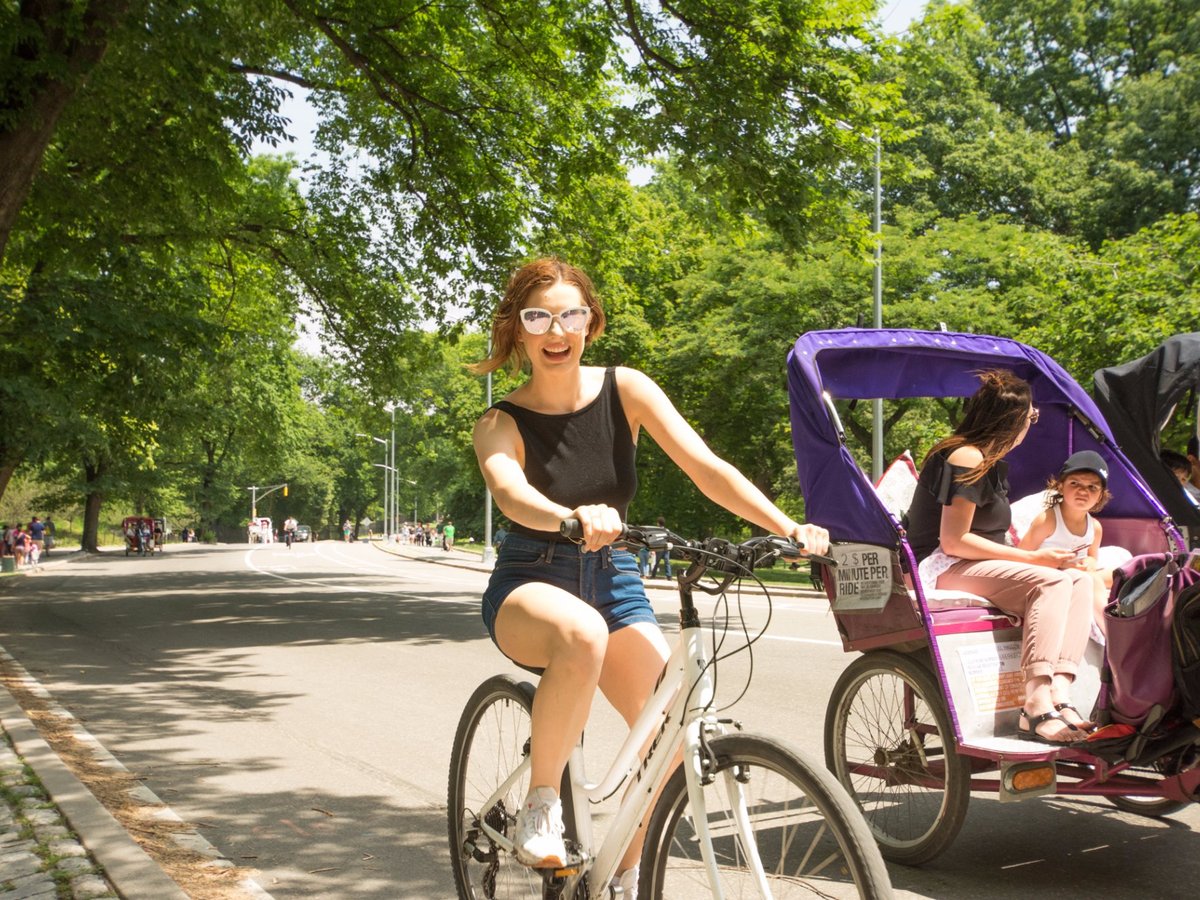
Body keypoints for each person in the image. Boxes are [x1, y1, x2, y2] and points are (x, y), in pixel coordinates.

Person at [470, 258, 829, 889]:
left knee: (670, 738)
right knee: (581, 634)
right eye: (538, 316)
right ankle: (541, 805)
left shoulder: (625, 388)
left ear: (592, 323)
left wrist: (786, 527)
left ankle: (621, 879)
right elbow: (509, 492)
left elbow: (707, 468)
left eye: (570, 314)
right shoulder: (499, 422)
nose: (557, 330)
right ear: (518, 330)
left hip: (615, 577)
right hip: (532, 579)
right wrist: (567, 516)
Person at [905, 369, 1095, 745]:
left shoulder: (988, 462)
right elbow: (954, 541)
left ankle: (1059, 691)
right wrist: (1034, 560)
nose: (1032, 424)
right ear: (1012, 421)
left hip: (973, 564)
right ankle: (1035, 705)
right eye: (1031, 417)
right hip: (941, 565)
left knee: (1081, 580)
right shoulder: (965, 456)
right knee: (1053, 579)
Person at [1017, 451, 1115, 643]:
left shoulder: (1094, 527)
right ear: (1060, 487)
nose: (1083, 491)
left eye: (1092, 487)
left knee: (1117, 574)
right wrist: (1061, 566)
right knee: (1093, 581)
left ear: (1100, 495)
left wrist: (1089, 562)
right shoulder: (1047, 519)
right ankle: (1111, 632)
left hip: (1079, 574)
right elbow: (1021, 556)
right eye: (1074, 484)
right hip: (1048, 573)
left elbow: (1093, 558)